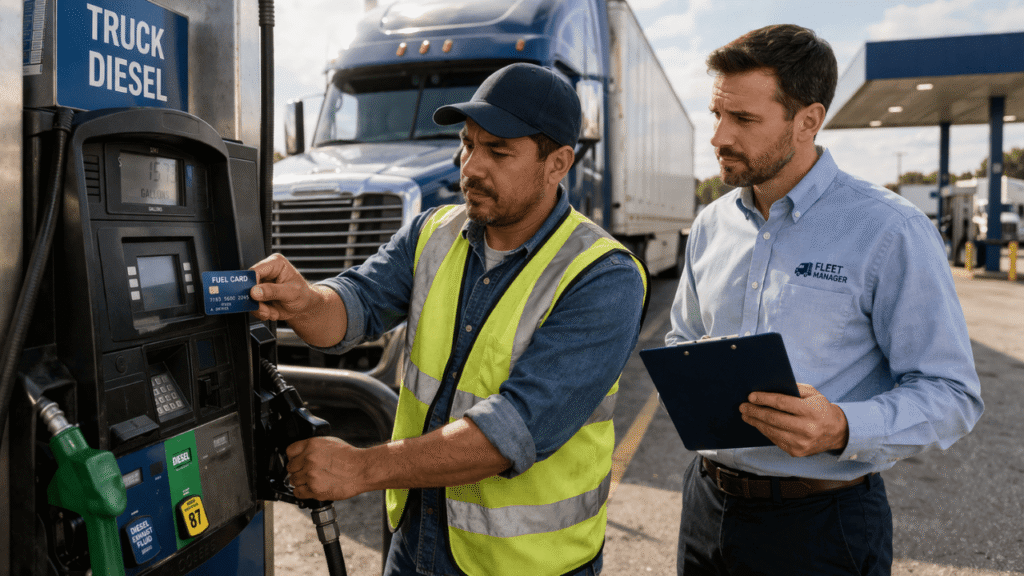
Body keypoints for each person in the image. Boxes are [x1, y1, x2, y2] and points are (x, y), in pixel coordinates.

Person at [250, 62, 648, 576]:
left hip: (524, 564)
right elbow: (353, 307)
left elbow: (511, 431)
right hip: (416, 541)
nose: (470, 167)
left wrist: (361, 467)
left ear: (558, 163)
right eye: (467, 143)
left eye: (497, 151)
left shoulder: (603, 276)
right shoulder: (433, 231)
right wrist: (305, 301)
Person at [666, 24, 983, 575]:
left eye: (743, 119)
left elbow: (953, 394)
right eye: (717, 114)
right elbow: (682, 343)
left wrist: (841, 424)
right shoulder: (711, 225)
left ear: (808, 121)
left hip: (820, 525)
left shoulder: (889, 231)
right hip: (705, 508)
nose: (718, 136)